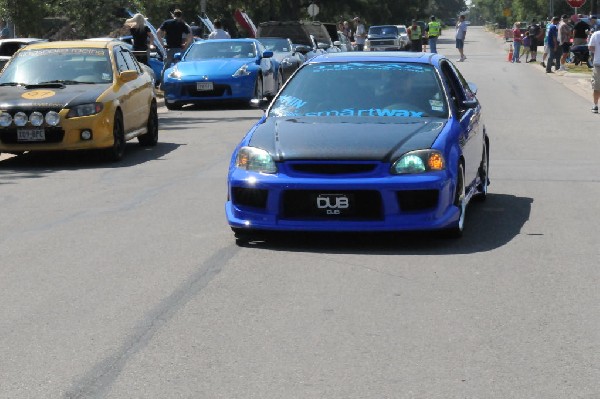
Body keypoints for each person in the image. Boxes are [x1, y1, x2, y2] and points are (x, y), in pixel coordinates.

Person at [157, 9, 192, 82]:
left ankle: (162, 84)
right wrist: (185, 44)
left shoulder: (167, 22)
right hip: (178, 49)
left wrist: (162, 44)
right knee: (178, 67)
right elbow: (189, 35)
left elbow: (158, 32)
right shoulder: (182, 24)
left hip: (169, 48)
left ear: (174, 15)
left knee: (166, 66)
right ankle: (178, 82)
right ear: (181, 16)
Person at [588, 28, 600, 112]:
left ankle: (595, 105)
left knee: (597, 86)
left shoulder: (596, 34)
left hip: (598, 63)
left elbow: (590, 47)